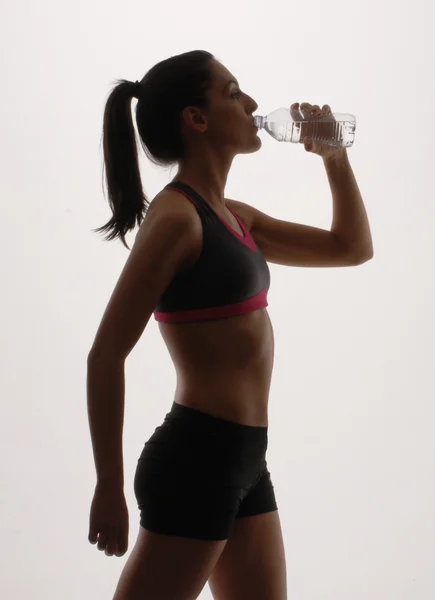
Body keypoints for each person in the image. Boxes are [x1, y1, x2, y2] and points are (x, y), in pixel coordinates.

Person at [87, 50, 372, 600]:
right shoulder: (175, 220)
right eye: (233, 92)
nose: (252, 104)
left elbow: (352, 248)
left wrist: (334, 157)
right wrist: (108, 488)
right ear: (196, 119)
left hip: (245, 461)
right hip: (197, 460)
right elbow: (105, 354)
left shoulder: (234, 215)